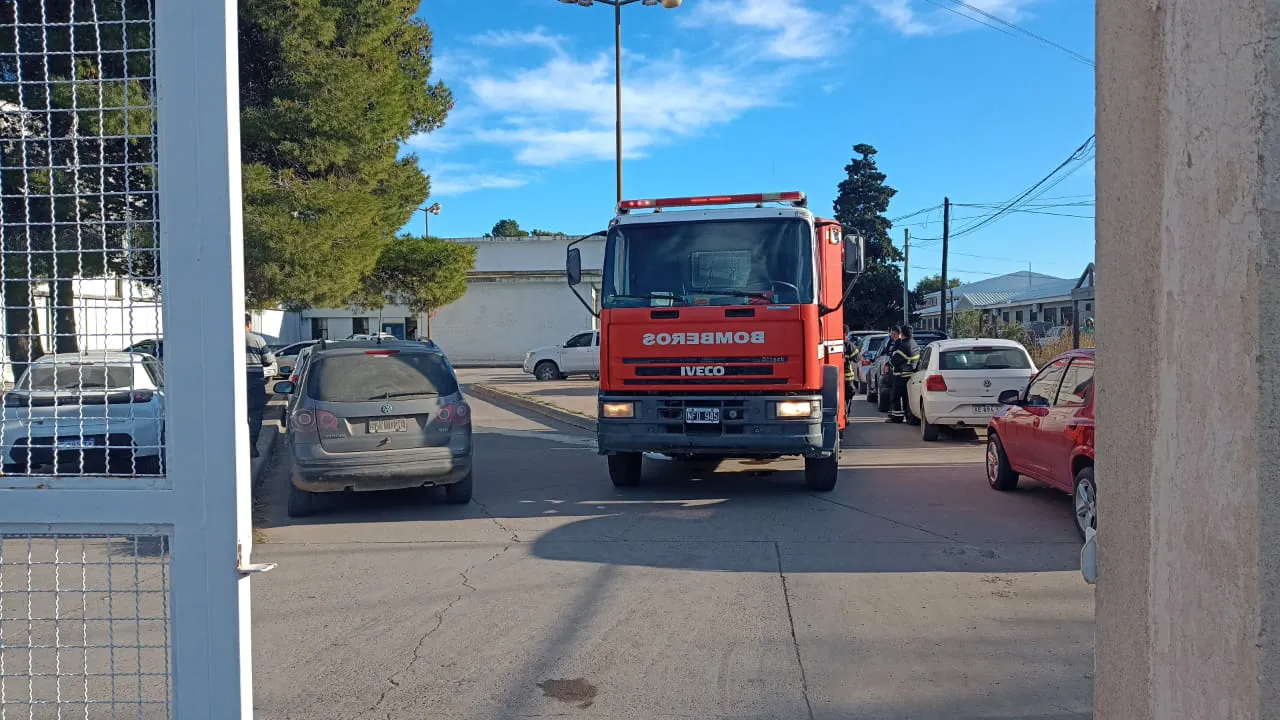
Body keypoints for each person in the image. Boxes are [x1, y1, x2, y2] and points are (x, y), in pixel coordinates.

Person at [245, 313, 276, 457]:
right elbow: (268, 360)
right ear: (249, 324)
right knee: (256, 414)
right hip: (255, 381)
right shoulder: (257, 340)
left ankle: (239, 444)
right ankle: (251, 444)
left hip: (233, 383)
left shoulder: (227, 338)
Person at [886, 325, 920, 423]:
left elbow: (894, 360)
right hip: (911, 375)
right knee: (906, 398)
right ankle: (909, 417)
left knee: (895, 397)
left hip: (901, 375)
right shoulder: (914, 343)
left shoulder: (904, 345)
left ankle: (897, 417)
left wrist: (892, 360)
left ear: (902, 334)